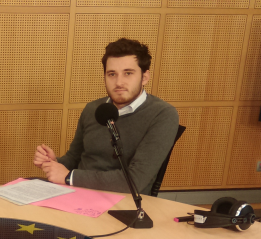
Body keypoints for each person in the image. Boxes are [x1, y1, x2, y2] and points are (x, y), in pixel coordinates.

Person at [34, 38, 179, 195]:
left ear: (144, 77)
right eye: (112, 74)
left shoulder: (163, 114)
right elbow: (74, 158)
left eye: (128, 73)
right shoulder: (94, 109)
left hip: (124, 202)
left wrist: (70, 177)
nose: (119, 82)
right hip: (77, 193)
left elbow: (135, 180)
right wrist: (54, 163)